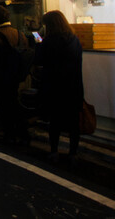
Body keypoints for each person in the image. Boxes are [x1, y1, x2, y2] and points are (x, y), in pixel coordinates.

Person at [34, 10, 84, 163]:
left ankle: (54, 151)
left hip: (54, 87)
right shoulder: (74, 39)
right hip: (73, 86)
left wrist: (38, 42)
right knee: (74, 122)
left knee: (55, 121)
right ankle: (73, 153)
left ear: (50, 25)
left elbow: (39, 59)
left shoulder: (49, 41)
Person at [0, 5, 30, 144]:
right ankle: (23, 133)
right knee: (15, 102)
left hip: (0, 77)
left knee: (3, 105)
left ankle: (9, 134)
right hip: (17, 76)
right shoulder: (19, 33)